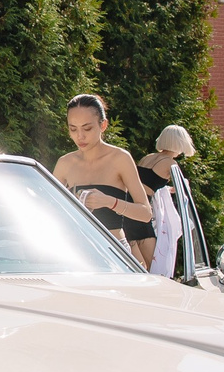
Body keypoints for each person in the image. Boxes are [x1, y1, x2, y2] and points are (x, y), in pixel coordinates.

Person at [55, 94, 155, 265]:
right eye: (73, 129)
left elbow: (146, 213)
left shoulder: (120, 158)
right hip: (76, 254)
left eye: (87, 128)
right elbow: (48, 210)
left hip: (115, 253)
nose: (80, 136)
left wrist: (109, 202)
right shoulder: (65, 163)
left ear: (103, 125)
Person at [142, 125, 195, 278]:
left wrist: (166, 189)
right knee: (156, 264)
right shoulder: (171, 164)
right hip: (145, 213)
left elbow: (147, 184)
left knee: (141, 264)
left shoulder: (147, 158)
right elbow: (182, 190)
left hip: (135, 205)